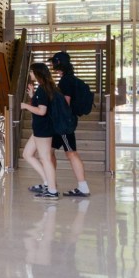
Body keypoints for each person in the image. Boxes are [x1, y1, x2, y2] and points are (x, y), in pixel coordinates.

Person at [45, 52, 90, 197]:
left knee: (71, 153)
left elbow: (65, 103)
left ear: (59, 64)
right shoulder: (69, 79)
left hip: (63, 123)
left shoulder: (65, 81)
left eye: (54, 63)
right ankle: (50, 183)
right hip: (63, 123)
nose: (52, 66)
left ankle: (83, 187)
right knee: (49, 152)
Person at [22, 62, 60, 200]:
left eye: (31, 72)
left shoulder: (44, 89)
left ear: (37, 73)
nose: (30, 74)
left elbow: (42, 111)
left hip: (43, 129)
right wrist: (32, 96)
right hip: (39, 129)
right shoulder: (43, 89)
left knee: (45, 159)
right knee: (27, 154)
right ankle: (47, 183)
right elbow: (41, 106)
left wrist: (25, 105)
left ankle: (52, 190)